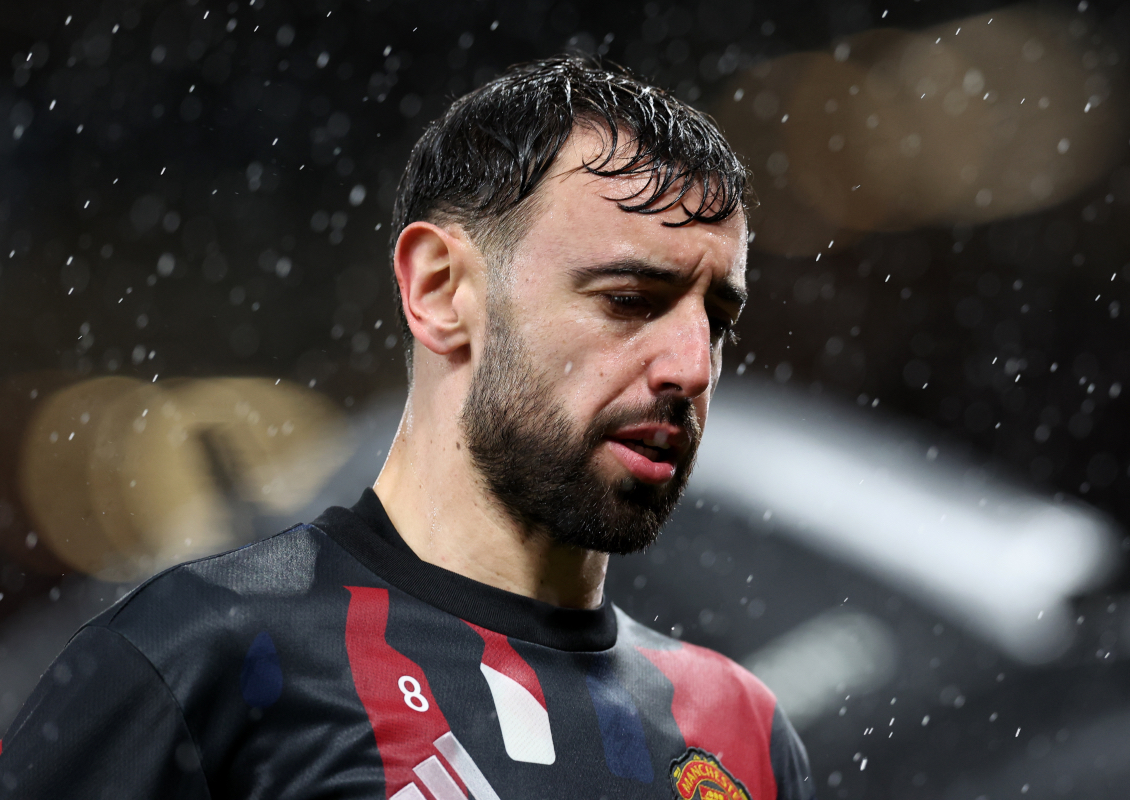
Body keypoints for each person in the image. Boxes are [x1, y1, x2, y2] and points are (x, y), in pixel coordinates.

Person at [0, 56, 815, 800]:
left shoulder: (743, 736)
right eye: (628, 300)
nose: (692, 368)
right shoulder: (204, 657)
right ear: (439, 290)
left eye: (716, 320)